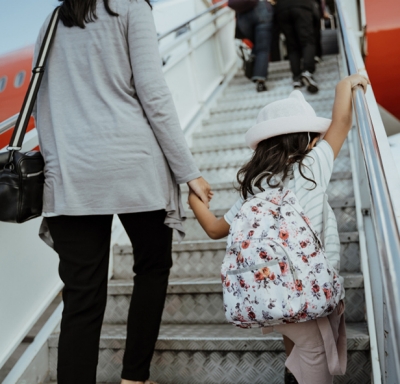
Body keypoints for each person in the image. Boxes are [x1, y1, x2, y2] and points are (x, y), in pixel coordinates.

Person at [32, 0, 212, 383]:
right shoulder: (130, 8)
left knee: (81, 297)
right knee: (152, 267)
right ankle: (134, 377)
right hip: (133, 164)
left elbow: (42, 103)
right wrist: (188, 171)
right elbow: (153, 92)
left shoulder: (51, 20)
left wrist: (59, 170)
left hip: (72, 174)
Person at [188, 74, 370, 384]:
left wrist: (195, 201)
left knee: (295, 334)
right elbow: (342, 121)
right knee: (315, 351)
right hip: (311, 280)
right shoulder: (311, 165)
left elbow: (216, 229)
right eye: (314, 136)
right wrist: (345, 84)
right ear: (306, 139)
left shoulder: (255, 186)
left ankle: (292, 374)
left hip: (272, 288)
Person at [275, 0, 319, 92]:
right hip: (301, 5)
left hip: (282, 9)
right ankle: (307, 71)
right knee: (307, 41)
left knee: (291, 45)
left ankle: (296, 78)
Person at [236, 0, 274, 92]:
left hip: (243, 17)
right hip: (261, 11)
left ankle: (253, 64)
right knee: (262, 47)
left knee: (257, 44)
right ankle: (260, 81)